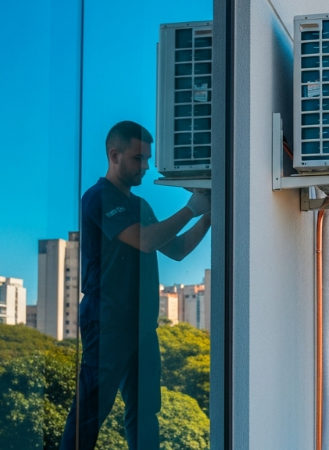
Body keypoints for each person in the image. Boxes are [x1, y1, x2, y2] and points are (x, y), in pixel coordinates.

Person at [60, 121, 212, 450]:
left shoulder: (140, 206)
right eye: (137, 158)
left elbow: (177, 249)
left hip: (142, 324)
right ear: (114, 155)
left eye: (147, 159)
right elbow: (144, 240)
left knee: (145, 412)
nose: (145, 166)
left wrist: (209, 214)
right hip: (107, 321)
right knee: (90, 411)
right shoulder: (99, 197)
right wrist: (190, 209)